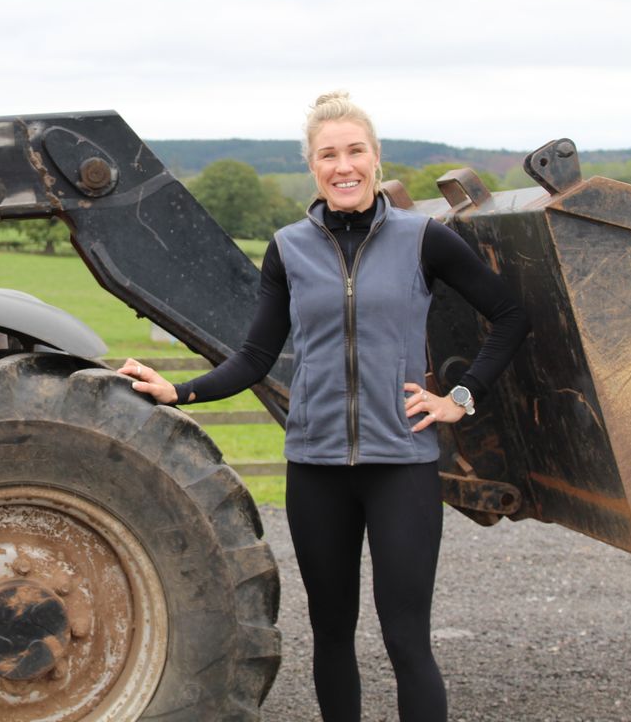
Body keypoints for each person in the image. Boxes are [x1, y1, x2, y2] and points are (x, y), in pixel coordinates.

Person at [118, 91, 530, 722]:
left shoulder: (423, 239)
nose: (344, 166)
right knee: (332, 635)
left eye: (355, 151)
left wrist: (460, 398)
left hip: (401, 467)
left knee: (406, 641)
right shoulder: (288, 248)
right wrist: (180, 391)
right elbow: (255, 356)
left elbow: (509, 316)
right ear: (312, 166)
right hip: (316, 469)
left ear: (375, 157)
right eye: (329, 155)